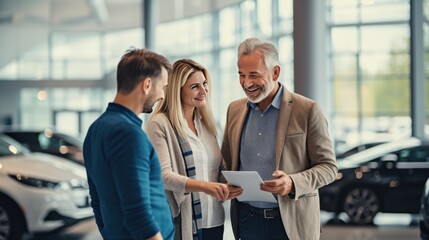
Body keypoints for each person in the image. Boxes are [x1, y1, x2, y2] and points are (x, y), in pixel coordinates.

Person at [221, 38, 338, 240]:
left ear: (275, 72)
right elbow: (226, 161)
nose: (246, 83)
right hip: (247, 220)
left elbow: (328, 167)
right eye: (241, 75)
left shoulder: (307, 110)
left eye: (254, 75)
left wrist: (293, 183)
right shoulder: (234, 110)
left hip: (291, 222)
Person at [83, 48, 174, 240]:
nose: (163, 96)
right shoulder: (128, 134)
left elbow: (97, 199)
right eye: (163, 88)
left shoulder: (95, 129)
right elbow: (137, 211)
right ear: (147, 84)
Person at [146, 59, 242, 240]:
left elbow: (216, 169)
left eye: (204, 84)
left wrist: (228, 186)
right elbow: (164, 176)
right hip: (183, 223)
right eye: (195, 86)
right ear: (177, 90)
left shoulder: (206, 124)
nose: (203, 90)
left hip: (215, 220)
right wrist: (206, 187)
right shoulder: (160, 124)